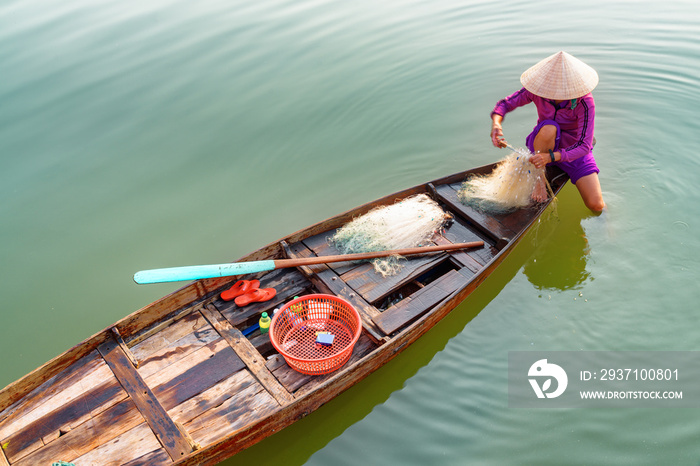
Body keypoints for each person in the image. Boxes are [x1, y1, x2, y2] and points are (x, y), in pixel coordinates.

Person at [490, 51, 606, 212]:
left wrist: (551, 157)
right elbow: (505, 104)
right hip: (543, 143)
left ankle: (606, 225)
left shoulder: (585, 101)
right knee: (550, 127)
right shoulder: (537, 90)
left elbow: (585, 146)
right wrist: (497, 124)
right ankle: (539, 179)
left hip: (573, 150)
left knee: (596, 205)